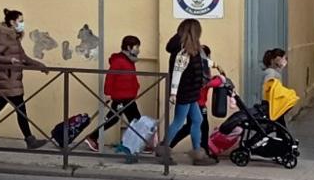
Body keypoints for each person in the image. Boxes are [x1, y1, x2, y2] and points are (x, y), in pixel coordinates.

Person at [0, 8, 48, 150]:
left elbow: (23, 58)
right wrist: (10, 60)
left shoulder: (14, 38)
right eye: (21, 21)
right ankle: (30, 140)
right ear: (13, 22)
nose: (23, 24)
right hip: (8, 79)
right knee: (20, 109)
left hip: (12, 80)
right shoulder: (4, 37)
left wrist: (39, 65)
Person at [155, 19, 216, 166]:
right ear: (194, 32)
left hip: (191, 92)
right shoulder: (182, 51)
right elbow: (177, 73)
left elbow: (202, 61)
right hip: (184, 93)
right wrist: (173, 94)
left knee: (197, 120)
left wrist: (216, 65)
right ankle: (163, 151)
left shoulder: (192, 49)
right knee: (178, 121)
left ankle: (198, 153)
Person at [85, 36, 142, 152]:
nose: (138, 49)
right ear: (128, 47)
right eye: (136, 47)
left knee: (134, 121)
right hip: (121, 97)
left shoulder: (129, 60)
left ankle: (136, 144)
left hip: (129, 97)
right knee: (121, 120)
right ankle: (92, 137)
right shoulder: (119, 61)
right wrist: (107, 93)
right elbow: (110, 77)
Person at [169, 45, 223, 156]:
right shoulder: (200, 68)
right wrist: (222, 78)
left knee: (193, 124)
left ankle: (198, 152)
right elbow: (208, 83)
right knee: (196, 126)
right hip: (196, 102)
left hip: (194, 101)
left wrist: (217, 67)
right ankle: (167, 146)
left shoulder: (200, 65)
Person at [261, 48, 299, 127]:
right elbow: (268, 85)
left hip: (274, 102)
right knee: (277, 124)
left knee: (278, 124)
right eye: (282, 58)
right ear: (273, 60)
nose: (284, 61)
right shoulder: (270, 72)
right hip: (272, 102)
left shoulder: (275, 72)